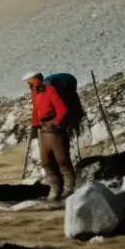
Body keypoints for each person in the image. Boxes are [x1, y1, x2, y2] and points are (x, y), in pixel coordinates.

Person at [25, 72, 76, 201]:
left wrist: (56, 123)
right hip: (43, 131)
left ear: (37, 80)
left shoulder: (50, 90)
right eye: (29, 84)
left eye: (31, 83)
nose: (30, 86)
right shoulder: (35, 93)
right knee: (46, 162)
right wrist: (34, 126)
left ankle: (69, 188)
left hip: (54, 130)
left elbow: (62, 109)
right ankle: (55, 189)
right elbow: (36, 110)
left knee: (62, 160)